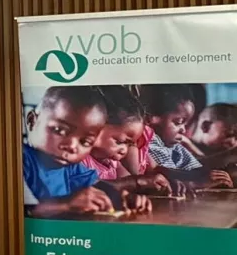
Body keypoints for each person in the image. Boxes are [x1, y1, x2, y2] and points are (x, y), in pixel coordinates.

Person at [22, 86, 120, 217]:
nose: (72, 146)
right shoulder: (21, 160)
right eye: (59, 130)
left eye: (85, 142)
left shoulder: (71, 167)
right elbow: (23, 209)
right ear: (32, 121)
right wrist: (66, 204)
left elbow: (99, 187)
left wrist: (122, 198)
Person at [136, 85, 233, 188]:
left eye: (185, 124)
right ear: (150, 119)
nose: (183, 129)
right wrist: (198, 181)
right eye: (178, 122)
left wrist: (219, 174)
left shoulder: (176, 148)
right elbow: (160, 171)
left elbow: (197, 167)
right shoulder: (148, 143)